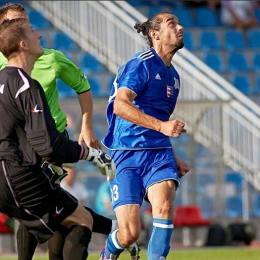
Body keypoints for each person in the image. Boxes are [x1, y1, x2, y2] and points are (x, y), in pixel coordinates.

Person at [0, 3, 139, 260]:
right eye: (25, 27)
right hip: (27, 162)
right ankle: (121, 235)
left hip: (24, 161)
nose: (37, 33)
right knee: (77, 219)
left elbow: (82, 86)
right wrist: (89, 154)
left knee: (67, 217)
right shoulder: (25, 85)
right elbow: (46, 145)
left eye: (26, 22)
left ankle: (121, 235)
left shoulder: (37, 65)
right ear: (18, 40)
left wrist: (86, 126)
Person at [101, 12, 190, 260]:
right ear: (155, 34)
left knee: (164, 206)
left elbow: (158, 121)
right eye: (172, 23)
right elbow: (120, 106)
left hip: (159, 154)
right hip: (126, 154)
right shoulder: (140, 64)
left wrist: (174, 156)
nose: (181, 27)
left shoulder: (174, 77)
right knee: (129, 234)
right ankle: (108, 253)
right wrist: (163, 127)